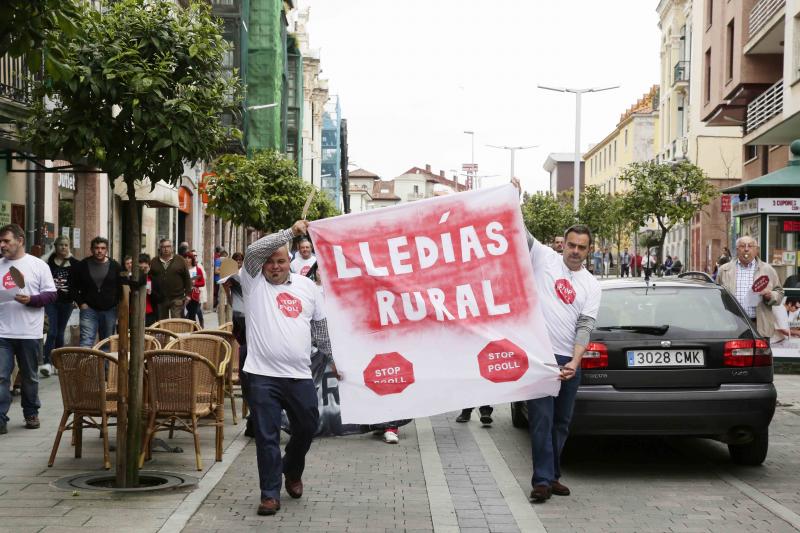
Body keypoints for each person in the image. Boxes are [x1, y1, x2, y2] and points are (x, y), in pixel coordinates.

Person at [240, 221, 338, 516]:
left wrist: (334, 358)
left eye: (280, 260)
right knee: (267, 436)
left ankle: (292, 469)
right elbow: (255, 251)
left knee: (307, 427)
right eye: (270, 261)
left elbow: (320, 329)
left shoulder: (308, 287)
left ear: (291, 260)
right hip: (261, 376)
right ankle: (270, 493)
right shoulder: (252, 281)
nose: (274, 266)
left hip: (298, 376)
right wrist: (289, 233)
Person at [525, 223, 602, 504]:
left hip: (569, 361)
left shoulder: (591, 285)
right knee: (542, 421)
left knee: (561, 423)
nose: (575, 251)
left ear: (588, 250)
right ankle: (542, 482)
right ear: (563, 244)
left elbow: (585, 325)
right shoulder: (544, 258)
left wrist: (575, 360)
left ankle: (552, 475)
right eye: (571, 245)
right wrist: (514, 199)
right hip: (540, 357)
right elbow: (519, 232)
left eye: (582, 247)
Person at [0, 224, 57, 434]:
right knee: (1, 377)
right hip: (2, 332)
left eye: (6, 241)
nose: (2, 245)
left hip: (29, 332)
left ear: (20, 240)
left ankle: (31, 412)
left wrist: (32, 299)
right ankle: (0, 418)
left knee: (30, 376)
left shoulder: (38, 266)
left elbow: (51, 295)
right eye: (1, 241)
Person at [717, 236, 783, 338]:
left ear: (756, 250)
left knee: (759, 354)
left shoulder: (768, 270)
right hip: (732, 325)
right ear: (737, 249)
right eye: (743, 246)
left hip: (759, 325)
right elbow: (717, 295)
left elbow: (779, 293)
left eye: (750, 246)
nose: (746, 249)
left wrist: (770, 295)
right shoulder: (724, 270)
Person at [73, 237, 124, 347]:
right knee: (86, 341)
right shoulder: (82, 265)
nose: (99, 251)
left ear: (107, 250)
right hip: (89, 309)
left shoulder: (115, 266)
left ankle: (104, 365)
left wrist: (118, 304)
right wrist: (81, 303)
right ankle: (86, 364)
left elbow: (121, 287)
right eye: (96, 248)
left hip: (110, 309)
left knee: (106, 342)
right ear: (91, 249)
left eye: (102, 248)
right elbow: (73, 286)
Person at [41, 236, 75, 377]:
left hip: (67, 302)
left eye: (66, 245)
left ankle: (58, 363)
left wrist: (76, 298)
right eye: (60, 245)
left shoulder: (74, 263)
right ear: (55, 246)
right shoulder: (48, 262)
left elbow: (78, 282)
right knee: (52, 331)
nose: (63, 247)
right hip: (51, 301)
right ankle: (47, 362)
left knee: (60, 332)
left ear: (69, 246)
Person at [149, 238, 191, 320]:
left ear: (172, 248)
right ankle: (163, 333)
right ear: (160, 249)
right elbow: (149, 278)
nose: (166, 249)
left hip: (177, 297)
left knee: (176, 322)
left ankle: (176, 333)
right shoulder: (154, 261)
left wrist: (188, 294)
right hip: (160, 298)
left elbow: (187, 278)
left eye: (168, 246)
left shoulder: (180, 260)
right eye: (163, 247)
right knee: (162, 323)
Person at [185, 251, 206, 327]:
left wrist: (194, 283)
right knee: (184, 315)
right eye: (186, 257)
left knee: (192, 315)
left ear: (192, 259)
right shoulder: (183, 269)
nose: (187, 259)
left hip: (194, 295)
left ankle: (194, 331)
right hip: (184, 295)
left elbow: (202, 282)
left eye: (189, 258)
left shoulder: (197, 269)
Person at [138, 254, 158, 327]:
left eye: (146, 263)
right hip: (135, 312)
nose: (143, 266)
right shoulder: (133, 278)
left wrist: (151, 292)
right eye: (141, 263)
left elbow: (159, 297)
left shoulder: (153, 279)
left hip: (149, 312)